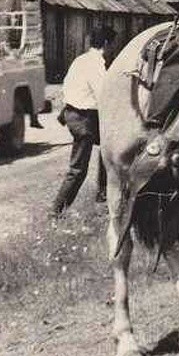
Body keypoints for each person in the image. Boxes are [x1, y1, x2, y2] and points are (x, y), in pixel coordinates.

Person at [50, 25, 116, 216]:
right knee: (78, 168)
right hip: (83, 118)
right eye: (112, 45)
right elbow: (104, 93)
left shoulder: (81, 60)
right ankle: (57, 210)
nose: (112, 49)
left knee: (109, 147)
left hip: (77, 113)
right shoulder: (95, 64)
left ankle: (103, 193)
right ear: (105, 43)